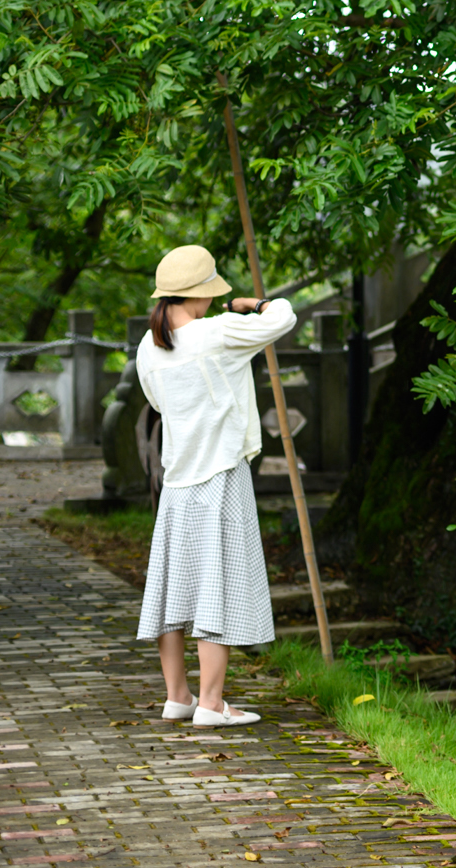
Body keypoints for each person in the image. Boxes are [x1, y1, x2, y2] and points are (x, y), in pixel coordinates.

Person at [134, 244, 296, 727]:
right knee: (217, 585)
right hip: (221, 474)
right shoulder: (219, 331)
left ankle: (177, 697)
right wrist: (254, 304)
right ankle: (211, 703)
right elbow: (284, 317)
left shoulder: (148, 347)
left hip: (178, 481)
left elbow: (158, 403)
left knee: (172, 588)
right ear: (200, 294)